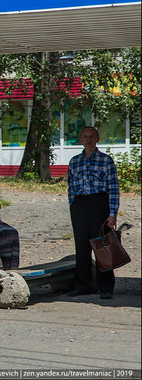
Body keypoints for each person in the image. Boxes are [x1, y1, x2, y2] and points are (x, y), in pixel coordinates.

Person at [67, 126, 119, 299]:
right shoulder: (74, 161)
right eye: (84, 137)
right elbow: (71, 186)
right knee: (81, 246)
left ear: (97, 138)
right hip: (80, 204)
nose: (88, 140)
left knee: (102, 244)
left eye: (91, 137)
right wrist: (73, 204)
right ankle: (83, 285)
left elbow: (113, 188)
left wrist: (112, 214)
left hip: (99, 202)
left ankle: (105, 286)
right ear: (80, 139)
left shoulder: (106, 161)